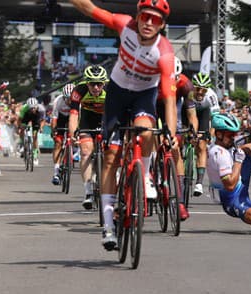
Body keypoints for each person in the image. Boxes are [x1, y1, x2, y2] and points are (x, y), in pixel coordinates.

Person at [69, 0, 178, 250]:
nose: (149, 23)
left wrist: (170, 131)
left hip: (143, 95)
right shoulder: (123, 26)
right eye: (146, 17)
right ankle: (108, 226)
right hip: (116, 93)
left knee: (147, 128)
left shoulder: (165, 53)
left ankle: (147, 176)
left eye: (156, 20)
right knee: (111, 158)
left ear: (162, 25)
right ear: (138, 17)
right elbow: (89, 8)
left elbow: (170, 99)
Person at [156, 56, 194, 220]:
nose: (174, 80)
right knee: (150, 137)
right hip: (154, 104)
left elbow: (191, 114)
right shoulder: (152, 81)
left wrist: (192, 131)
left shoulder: (185, 84)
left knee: (175, 146)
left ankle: (179, 201)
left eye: (176, 77)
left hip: (173, 105)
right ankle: (151, 174)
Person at [68, 65, 108, 209]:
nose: (96, 87)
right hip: (87, 119)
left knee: (111, 151)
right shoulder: (79, 90)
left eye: (99, 84)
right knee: (85, 151)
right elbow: (73, 114)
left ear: (104, 83)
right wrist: (73, 134)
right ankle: (88, 192)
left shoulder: (111, 90)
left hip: (106, 118)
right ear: (87, 82)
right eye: (92, 83)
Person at [190, 72, 220, 197]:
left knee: (202, 146)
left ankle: (199, 183)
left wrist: (210, 134)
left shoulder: (211, 96)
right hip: (188, 111)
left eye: (204, 90)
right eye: (198, 89)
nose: (201, 92)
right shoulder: (187, 93)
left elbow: (215, 119)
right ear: (193, 87)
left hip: (203, 113)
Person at [50, 83, 74, 185]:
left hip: (72, 117)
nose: (69, 101)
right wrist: (54, 131)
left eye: (71, 99)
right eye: (67, 98)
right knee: (58, 143)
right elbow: (54, 119)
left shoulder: (78, 101)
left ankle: (70, 155)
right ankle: (56, 172)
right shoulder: (58, 101)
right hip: (60, 118)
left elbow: (80, 118)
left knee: (73, 136)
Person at [17, 97, 46, 165]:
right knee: (22, 129)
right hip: (26, 116)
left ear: (36, 106)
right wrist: (19, 126)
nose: (32, 109)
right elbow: (19, 119)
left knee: (35, 136)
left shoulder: (41, 109)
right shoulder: (24, 108)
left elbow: (43, 120)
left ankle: (35, 155)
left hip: (36, 118)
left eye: (34, 108)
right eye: (31, 108)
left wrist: (41, 128)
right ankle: (22, 144)